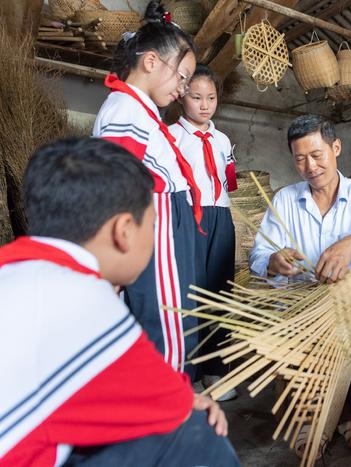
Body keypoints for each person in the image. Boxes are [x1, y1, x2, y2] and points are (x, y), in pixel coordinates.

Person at [0, 137, 238, 467]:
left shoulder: (14, 268)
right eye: (152, 225)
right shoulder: (82, 297)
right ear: (124, 231)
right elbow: (174, 402)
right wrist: (186, 400)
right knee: (198, 431)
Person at [248, 114, 351, 456]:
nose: (310, 166)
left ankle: (338, 409)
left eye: (317, 155)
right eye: (299, 158)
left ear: (335, 147)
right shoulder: (284, 200)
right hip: (300, 302)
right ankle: (346, 416)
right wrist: (273, 260)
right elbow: (259, 253)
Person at [93, 0, 201, 376]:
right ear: (152, 62)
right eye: (182, 77)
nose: (183, 89)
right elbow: (112, 186)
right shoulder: (126, 110)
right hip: (156, 225)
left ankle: (161, 407)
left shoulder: (136, 109)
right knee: (167, 326)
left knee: (170, 322)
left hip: (165, 224)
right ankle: (166, 415)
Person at [169, 64, 237, 400]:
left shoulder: (223, 140)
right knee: (189, 293)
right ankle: (189, 374)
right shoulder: (171, 136)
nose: (204, 104)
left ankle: (215, 371)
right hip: (188, 217)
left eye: (210, 98)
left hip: (221, 216)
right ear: (182, 96)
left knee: (220, 293)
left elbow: (229, 181)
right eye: (196, 97)